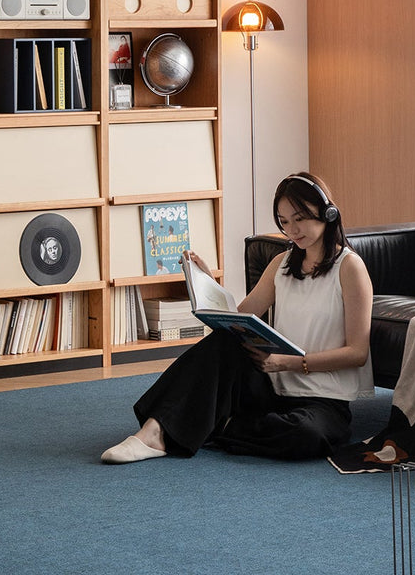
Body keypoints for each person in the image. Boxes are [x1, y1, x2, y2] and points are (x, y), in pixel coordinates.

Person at [101, 172, 373, 463]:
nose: (292, 230)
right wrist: (207, 283)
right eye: (283, 222)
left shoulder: (350, 267)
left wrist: (291, 363)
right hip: (273, 387)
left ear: (326, 211)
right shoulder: (281, 264)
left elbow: (357, 353)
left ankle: (216, 425)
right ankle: (153, 432)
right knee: (224, 340)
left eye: (299, 218)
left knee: (307, 436)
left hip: (323, 399)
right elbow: (239, 317)